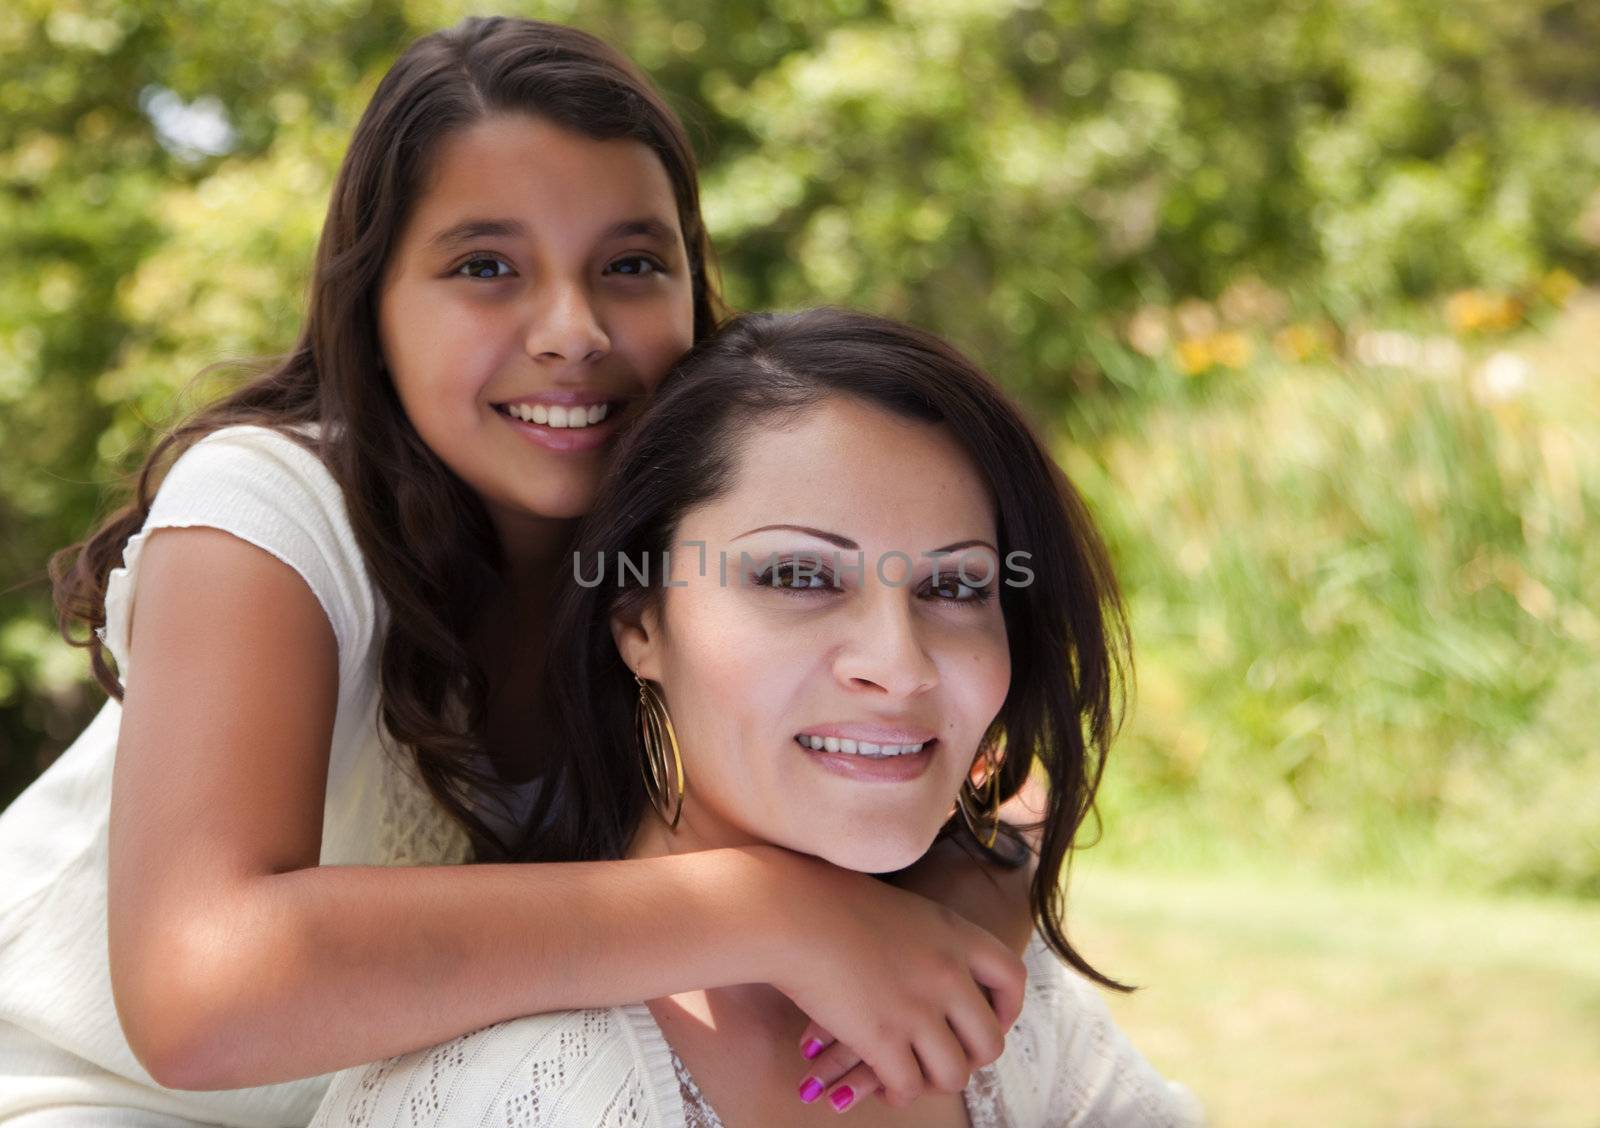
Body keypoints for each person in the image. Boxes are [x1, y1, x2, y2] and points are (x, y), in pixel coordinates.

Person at [0, 20, 1037, 1127]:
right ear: (374, 306)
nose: (572, 330)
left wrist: (936, 924)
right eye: (485, 267)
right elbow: (197, 995)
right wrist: (763, 904)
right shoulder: (268, 509)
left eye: (632, 265)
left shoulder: (705, 536)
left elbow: (995, 798)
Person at [309, 308, 1207, 1127]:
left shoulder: (1001, 999)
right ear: (638, 622)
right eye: (799, 576)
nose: (899, 668)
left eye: (956, 585)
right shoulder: (519, 1088)